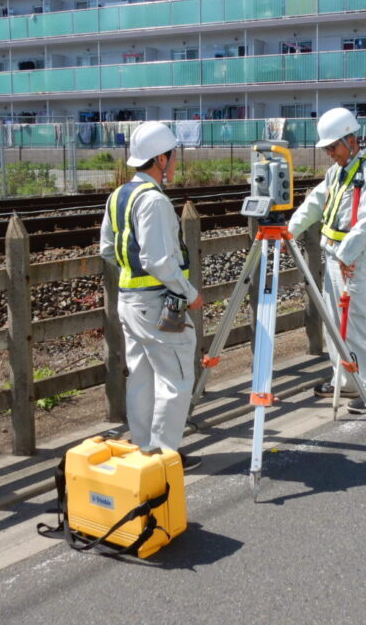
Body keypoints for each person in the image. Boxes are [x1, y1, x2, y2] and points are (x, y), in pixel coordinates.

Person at [100, 121, 204, 470]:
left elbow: (107, 249)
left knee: (141, 378)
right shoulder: (155, 201)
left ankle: (144, 449)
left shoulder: (118, 196)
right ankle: (162, 458)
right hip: (159, 303)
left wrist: (133, 276)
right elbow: (158, 261)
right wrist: (189, 294)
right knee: (176, 378)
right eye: (173, 156)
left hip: (128, 302)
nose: (175, 163)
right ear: (160, 159)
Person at [288, 108, 366, 414]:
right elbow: (316, 202)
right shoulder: (337, 172)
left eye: (333, 147)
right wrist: (289, 231)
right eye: (327, 148)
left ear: (350, 138)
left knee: (359, 323)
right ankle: (345, 380)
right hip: (335, 256)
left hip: (355, 258)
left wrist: (346, 254)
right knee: (335, 324)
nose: (330, 153)